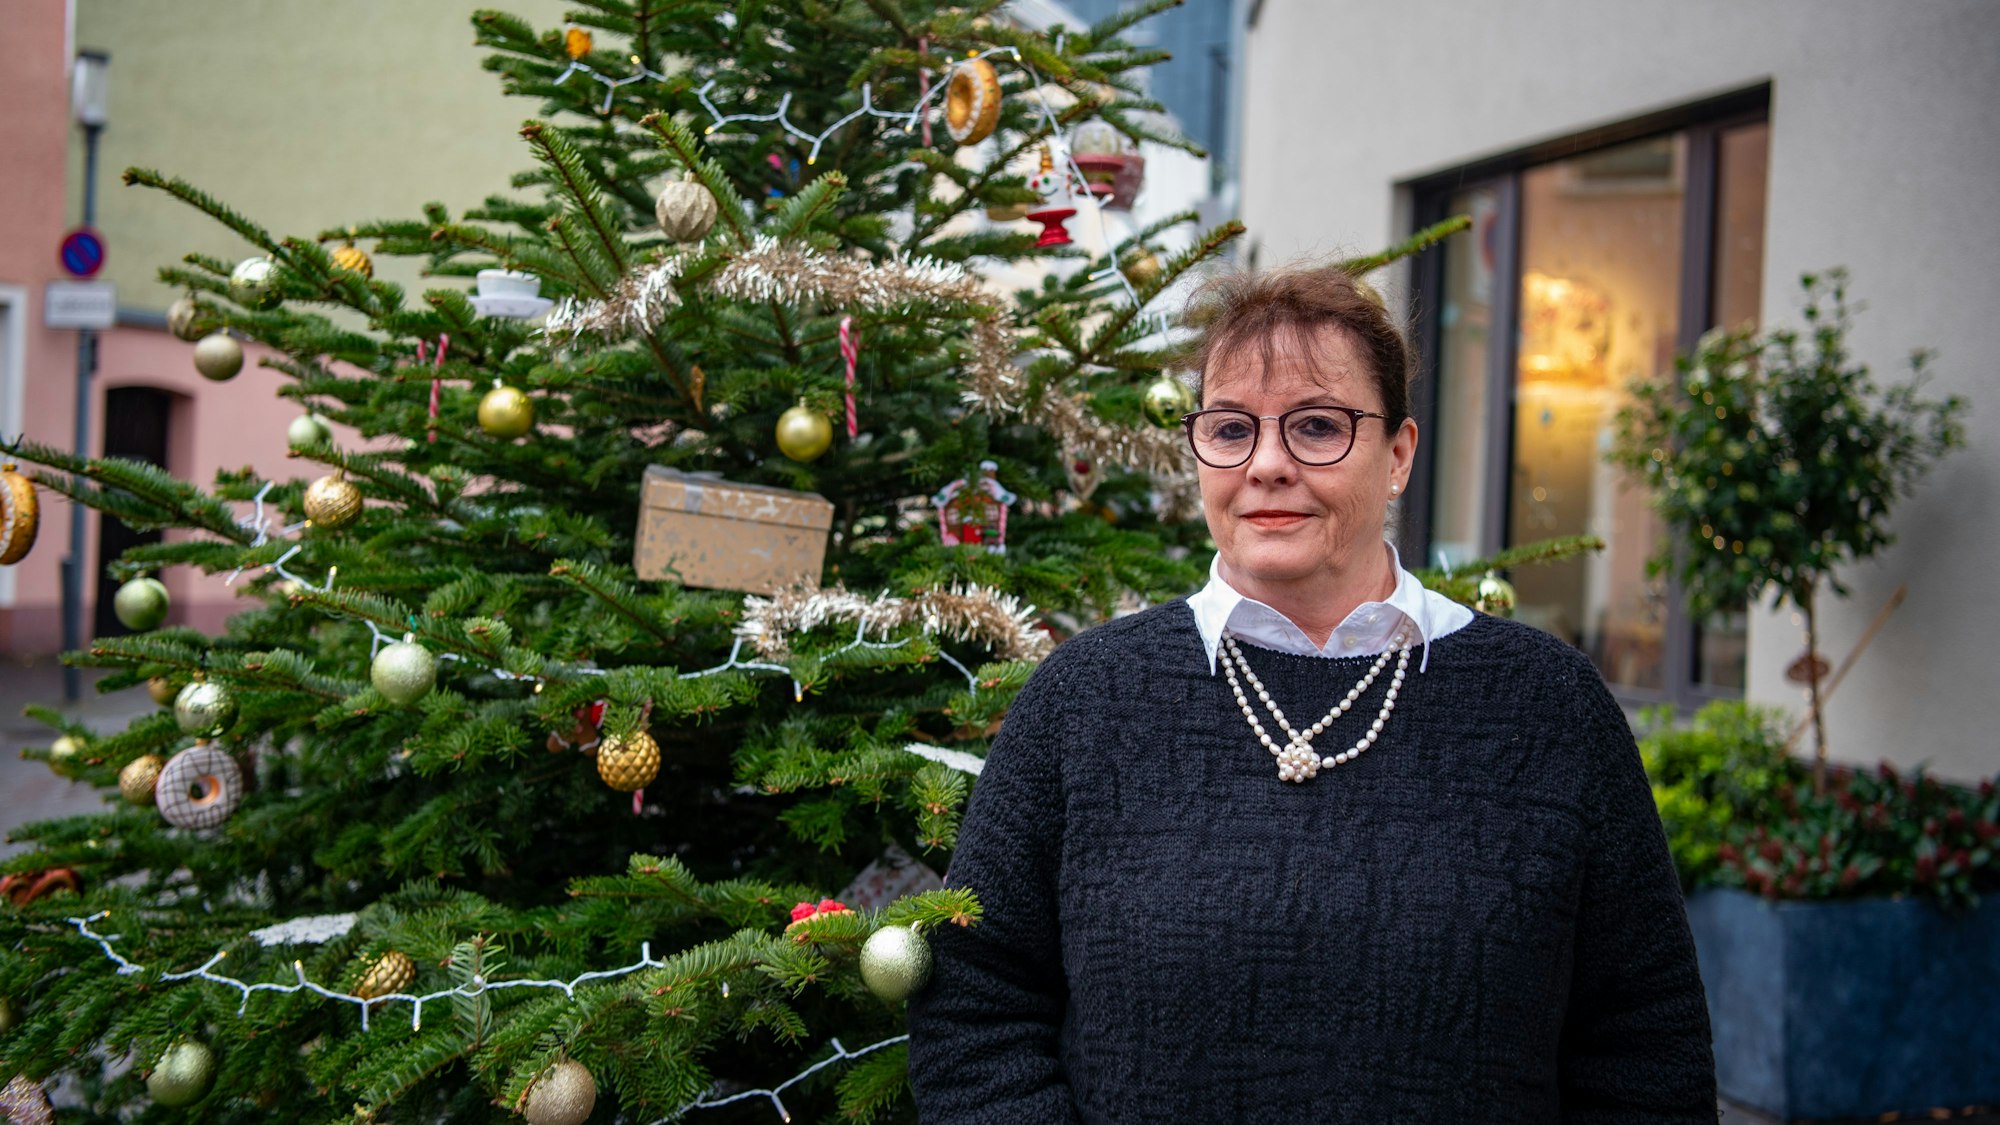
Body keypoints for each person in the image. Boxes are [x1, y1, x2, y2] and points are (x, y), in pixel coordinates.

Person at [906, 265, 1717, 1122]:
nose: (1266, 466)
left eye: (1318, 427)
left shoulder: (1548, 705)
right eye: (1230, 429)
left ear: (1398, 453)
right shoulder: (1084, 698)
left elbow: (1644, 1040)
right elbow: (977, 1006)